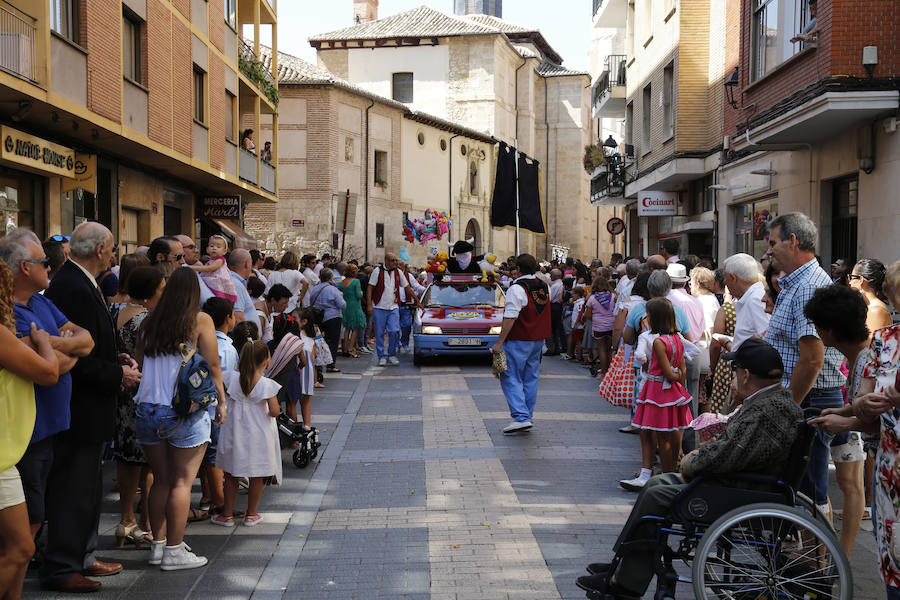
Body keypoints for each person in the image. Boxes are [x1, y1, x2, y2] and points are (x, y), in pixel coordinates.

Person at [577, 338, 802, 599]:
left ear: (746, 375)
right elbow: (733, 450)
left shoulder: (767, 410)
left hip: (740, 490)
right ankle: (624, 565)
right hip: (744, 482)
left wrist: (693, 459)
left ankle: (626, 582)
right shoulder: (772, 402)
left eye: (735, 372)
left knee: (656, 493)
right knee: (657, 484)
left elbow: (730, 455)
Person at [38, 222, 141, 591]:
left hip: (89, 409)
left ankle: (82, 556)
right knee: (72, 490)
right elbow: (75, 356)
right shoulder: (72, 285)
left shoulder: (81, 280)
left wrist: (117, 356)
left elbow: (94, 342)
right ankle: (64, 566)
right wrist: (118, 375)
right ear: (100, 250)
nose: (114, 255)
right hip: (77, 410)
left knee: (87, 489)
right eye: (112, 248)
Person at [810, 260, 900, 598]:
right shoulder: (880, 345)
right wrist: (849, 411)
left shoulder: (879, 348)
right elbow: (872, 405)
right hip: (889, 471)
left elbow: (875, 411)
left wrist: (847, 418)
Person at [133, 268, 226, 570]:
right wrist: (221, 402)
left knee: (160, 480)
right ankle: (174, 551)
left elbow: (139, 362)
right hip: (184, 411)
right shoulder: (200, 321)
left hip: (147, 408)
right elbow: (213, 365)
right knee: (182, 483)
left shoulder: (148, 322)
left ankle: (157, 545)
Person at [763, 212, 844, 515]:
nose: (769, 250)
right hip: (801, 398)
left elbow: (812, 358)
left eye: (773, 243)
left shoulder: (809, 285)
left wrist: (789, 406)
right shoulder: (796, 283)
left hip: (807, 400)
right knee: (800, 486)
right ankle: (809, 551)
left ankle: (816, 558)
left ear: (792, 241)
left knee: (809, 488)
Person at [0, 258, 60, 598]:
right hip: (3, 453)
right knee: (21, 547)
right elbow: (50, 372)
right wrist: (47, 343)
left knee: (19, 547)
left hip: (7, 453)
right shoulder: (3, 335)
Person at [803, 285, 869, 557]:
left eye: (818, 325)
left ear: (829, 330)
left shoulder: (870, 360)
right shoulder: (863, 357)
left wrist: (846, 423)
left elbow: (888, 418)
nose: (815, 331)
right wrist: (842, 412)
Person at [111, 267, 164, 547]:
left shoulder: (116, 311)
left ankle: (126, 518)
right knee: (150, 462)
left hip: (121, 392)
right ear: (152, 290)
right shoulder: (147, 319)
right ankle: (146, 522)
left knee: (126, 458)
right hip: (143, 391)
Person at [622, 299, 695, 491]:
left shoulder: (658, 342)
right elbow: (681, 371)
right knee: (657, 433)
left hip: (656, 392)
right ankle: (659, 474)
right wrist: (677, 374)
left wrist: (673, 374)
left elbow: (668, 373)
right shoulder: (678, 340)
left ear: (655, 318)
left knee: (661, 437)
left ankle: (665, 477)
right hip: (668, 392)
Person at [212, 340, 281, 528]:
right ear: (266, 361)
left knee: (231, 474)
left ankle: (227, 515)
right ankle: (251, 514)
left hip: (234, 430)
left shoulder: (230, 379)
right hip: (258, 434)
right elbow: (274, 411)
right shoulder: (267, 384)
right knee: (257, 474)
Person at [490, 254, 551, 434]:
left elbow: (510, 317)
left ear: (518, 269)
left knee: (509, 375)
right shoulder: (543, 286)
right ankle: (527, 415)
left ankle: (521, 416)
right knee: (530, 378)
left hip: (519, 338)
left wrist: (499, 342)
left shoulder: (517, 288)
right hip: (537, 340)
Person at [197, 297, 239, 521]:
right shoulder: (226, 348)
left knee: (205, 452)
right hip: (217, 404)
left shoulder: (205, 341)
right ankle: (219, 502)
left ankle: (207, 495)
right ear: (227, 319)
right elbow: (226, 380)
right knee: (216, 454)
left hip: (205, 403)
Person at [367, 253, 417, 366]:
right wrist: (369, 304)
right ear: (386, 261)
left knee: (394, 331)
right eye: (393, 260)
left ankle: (391, 354)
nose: (395, 263)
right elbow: (370, 288)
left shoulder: (398, 272)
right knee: (379, 333)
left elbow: (407, 287)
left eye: (395, 260)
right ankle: (381, 356)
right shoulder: (377, 271)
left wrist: (417, 301)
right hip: (379, 306)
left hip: (393, 307)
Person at [723, 253, 770, 350]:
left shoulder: (756, 299)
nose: (724, 282)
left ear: (733, 278)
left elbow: (767, 339)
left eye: (725, 277)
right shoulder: (752, 297)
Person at [308, 267, 346, 373]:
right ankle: (331, 364)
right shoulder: (333, 290)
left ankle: (318, 364)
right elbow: (342, 304)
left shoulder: (315, 289)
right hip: (332, 317)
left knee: (319, 341)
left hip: (318, 318)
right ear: (331, 278)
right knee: (332, 341)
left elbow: (311, 300)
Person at [582, 275, 616, 376]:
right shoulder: (613, 296)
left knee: (601, 349)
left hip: (598, 327)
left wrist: (597, 319)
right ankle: (610, 373)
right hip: (611, 325)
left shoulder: (592, 298)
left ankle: (604, 372)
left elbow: (588, 314)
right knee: (609, 349)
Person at [850, 258, 892, 337]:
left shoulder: (876, 310)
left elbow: (870, 345)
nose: (850, 282)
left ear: (861, 280)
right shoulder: (869, 307)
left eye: (852, 278)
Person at [190, 234, 237, 304]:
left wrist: (191, 267)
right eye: (212, 246)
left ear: (224, 251)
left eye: (218, 246)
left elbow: (209, 269)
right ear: (207, 249)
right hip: (212, 281)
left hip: (218, 282)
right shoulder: (211, 261)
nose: (214, 248)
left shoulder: (220, 260)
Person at [397, 261, 425, 355]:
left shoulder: (408, 276)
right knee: (394, 328)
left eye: (400, 265)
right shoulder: (391, 275)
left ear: (404, 267)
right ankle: (396, 345)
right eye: (397, 265)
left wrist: (428, 290)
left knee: (407, 326)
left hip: (406, 306)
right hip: (394, 306)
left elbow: (416, 287)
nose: (398, 267)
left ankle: (404, 344)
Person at [227, 248, 260, 327]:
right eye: (251, 263)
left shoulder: (234, 281)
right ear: (247, 264)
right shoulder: (236, 284)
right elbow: (238, 318)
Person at [340, 264, 366, 357]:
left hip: (345, 306)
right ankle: (351, 349)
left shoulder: (342, 282)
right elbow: (359, 295)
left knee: (346, 328)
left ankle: (345, 348)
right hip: (355, 306)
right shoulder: (356, 281)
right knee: (355, 328)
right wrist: (362, 293)